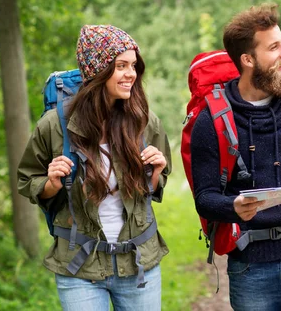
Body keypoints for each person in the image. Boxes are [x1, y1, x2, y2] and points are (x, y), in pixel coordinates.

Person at [190, 3, 281, 310]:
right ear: (247, 59)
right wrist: (233, 207)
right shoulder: (211, 121)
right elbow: (205, 198)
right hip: (250, 263)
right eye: (274, 47)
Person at [18, 25, 171, 311]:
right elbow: (28, 180)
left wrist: (156, 172)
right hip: (79, 268)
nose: (131, 74)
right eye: (121, 66)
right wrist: (51, 183)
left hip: (139, 263)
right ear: (97, 71)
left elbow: (151, 190)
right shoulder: (54, 126)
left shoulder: (145, 122)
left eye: (134, 66)